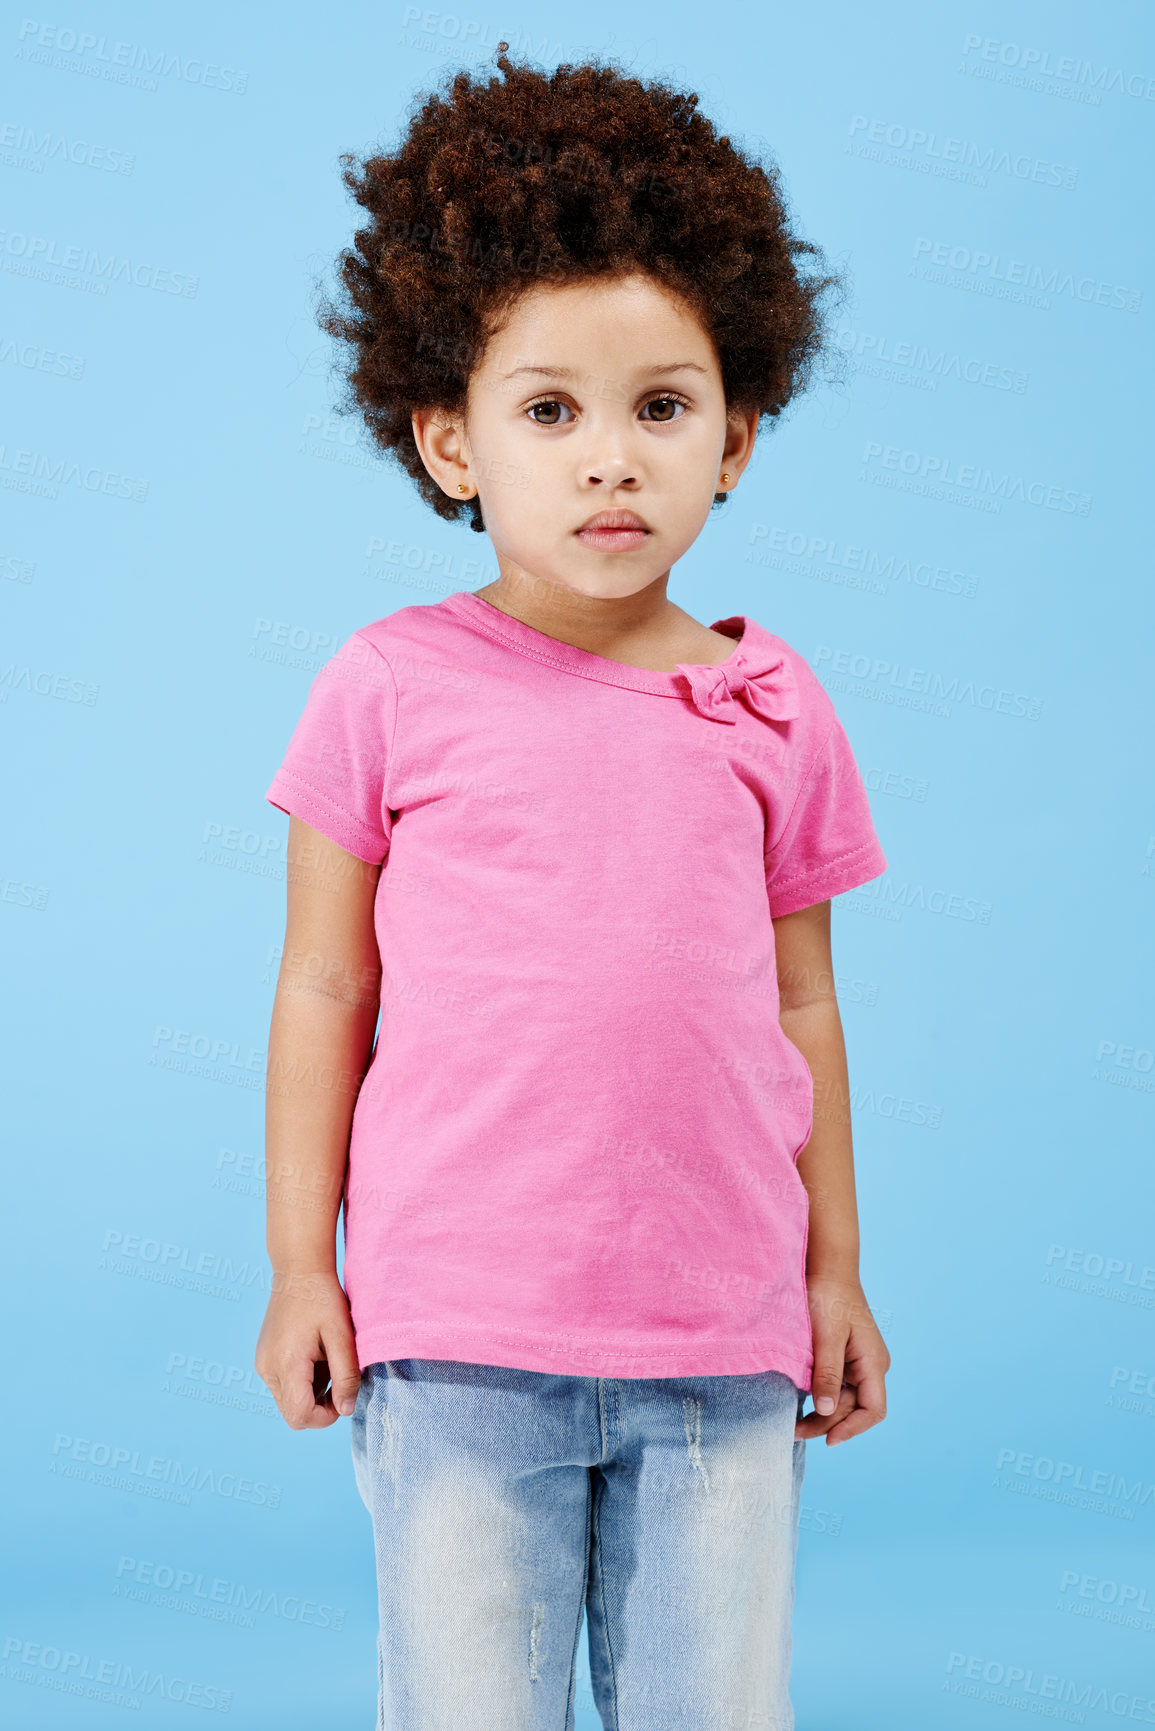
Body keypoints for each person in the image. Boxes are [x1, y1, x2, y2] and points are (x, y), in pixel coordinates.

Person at [254, 44, 891, 1731]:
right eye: (550, 411)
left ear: (739, 435)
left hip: (724, 1346)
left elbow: (804, 1004)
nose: (611, 459)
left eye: (660, 408)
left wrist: (836, 1272)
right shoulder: (386, 689)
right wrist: (299, 1267)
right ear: (448, 438)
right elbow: (326, 987)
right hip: (458, 1335)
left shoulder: (772, 703)